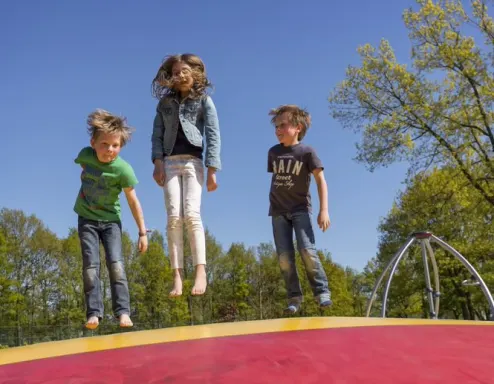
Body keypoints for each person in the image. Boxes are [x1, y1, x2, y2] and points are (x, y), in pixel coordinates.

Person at [151, 53, 221, 297]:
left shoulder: (203, 100)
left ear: (195, 74)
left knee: (192, 214)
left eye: (184, 72)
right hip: (169, 163)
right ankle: (177, 275)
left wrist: (213, 170)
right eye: (175, 73)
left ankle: (200, 270)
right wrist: (157, 163)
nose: (179, 76)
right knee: (173, 218)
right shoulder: (164, 105)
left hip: (193, 163)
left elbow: (213, 134)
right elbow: (157, 135)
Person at [74, 109, 148, 330]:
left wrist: (143, 232)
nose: (109, 150)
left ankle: (123, 312)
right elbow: (83, 169)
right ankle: (94, 313)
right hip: (86, 218)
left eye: (115, 145)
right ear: (93, 143)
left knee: (116, 265)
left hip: (111, 222)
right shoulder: (85, 155)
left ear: (121, 146)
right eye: (104, 144)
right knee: (90, 267)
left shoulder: (123, 170)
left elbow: (133, 201)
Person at [267, 104, 332, 314]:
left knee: (306, 249)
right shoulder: (273, 152)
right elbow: (278, 180)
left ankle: (322, 291)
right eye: (276, 126)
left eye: (282, 125)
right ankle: (294, 297)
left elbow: (320, 180)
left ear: (298, 127)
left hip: (300, 209)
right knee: (284, 257)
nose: (278, 130)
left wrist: (324, 210)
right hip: (278, 212)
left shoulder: (307, 152)